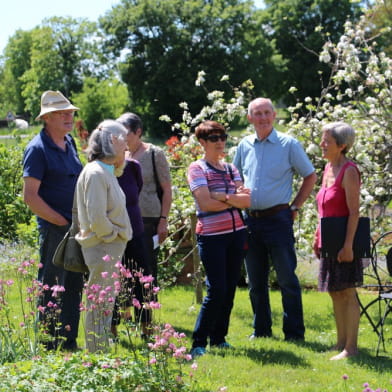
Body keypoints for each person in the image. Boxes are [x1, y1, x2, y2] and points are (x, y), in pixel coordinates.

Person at [233, 97, 317, 342]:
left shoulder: (288, 144)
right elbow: (236, 177)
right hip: (250, 220)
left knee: (286, 278)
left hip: (278, 218)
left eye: (267, 112)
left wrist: (296, 206)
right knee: (255, 280)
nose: (263, 117)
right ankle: (261, 330)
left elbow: (310, 176)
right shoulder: (244, 145)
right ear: (250, 118)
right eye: (257, 113)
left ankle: (294, 333)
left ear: (275, 116)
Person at [22, 90, 84, 350]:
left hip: (76, 228)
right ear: (47, 118)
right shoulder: (37, 149)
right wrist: (60, 222)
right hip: (55, 229)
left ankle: (68, 340)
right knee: (51, 285)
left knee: (73, 285)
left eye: (70, 111)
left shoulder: (69, 142)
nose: (69, 116)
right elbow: (30, 197)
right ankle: (48, 343)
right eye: (62, 112)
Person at [187, 120, 251, 358]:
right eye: (214, 138)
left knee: (229, 290)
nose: (220, 142)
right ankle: (198, 342)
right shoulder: (197, 169)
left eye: (223, 137)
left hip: (236, 235)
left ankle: (219, 338)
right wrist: (231, 198)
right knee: (216, 290)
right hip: (212, 237)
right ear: (202, 142)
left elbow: (246, 201)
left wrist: (221, 196)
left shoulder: (231, 168)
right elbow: (204, 203)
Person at [75, 120, 132, 352]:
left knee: (105, 301)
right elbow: (96, 216)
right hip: (103, 247)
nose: (127, 145)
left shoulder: (104, 170)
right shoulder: (96, 173)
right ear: (111, 140)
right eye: (123, 140)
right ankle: (97, 354)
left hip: (107, 247)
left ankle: (99, 351)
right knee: (99, 302)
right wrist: (113, 236)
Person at [313, 122, 362, 360]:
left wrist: (348, 246)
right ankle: (340, 343)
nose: (321, 144)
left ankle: (351, 348)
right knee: (334, 291)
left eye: (327, 141)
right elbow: (323, 207)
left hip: (345, 241)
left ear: (341, 146)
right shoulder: (327, 168)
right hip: (328, 238)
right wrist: (317, 234)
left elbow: (354, 212)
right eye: (322, 140)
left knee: (348, 292)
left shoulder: (349, 171)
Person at [116, 113, 172, 284]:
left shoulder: (154, 154)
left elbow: (167, 190)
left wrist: (163, 220)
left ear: (138, 132)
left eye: (125, 132)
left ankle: (147, 309)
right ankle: (125, 310)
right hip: (122, 221)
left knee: (146, 269)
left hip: (148, 220)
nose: (121, 137)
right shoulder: (118, 156)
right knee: (123, 271)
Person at [111, 140, 152, 339]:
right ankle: (112, 329)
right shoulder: (100, 170)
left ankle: (146, 328)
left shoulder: (133, 167)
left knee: (142, 279)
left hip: (135, 231)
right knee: (112, 281)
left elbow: (138, 190)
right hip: (111, 235)